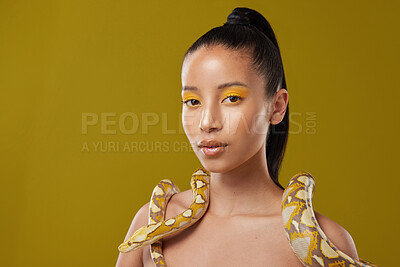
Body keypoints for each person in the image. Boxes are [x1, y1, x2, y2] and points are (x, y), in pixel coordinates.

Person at [116, 7, 359, 266]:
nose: (207, 122)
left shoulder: (326, 241)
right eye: (192, 101)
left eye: (232, 98)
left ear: (277, 107)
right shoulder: (152, 223)